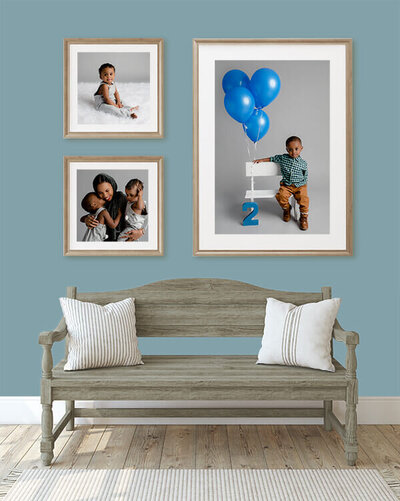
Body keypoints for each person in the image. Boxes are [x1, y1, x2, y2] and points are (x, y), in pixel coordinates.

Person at [254, 136, 309, 230]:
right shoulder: (283, 158)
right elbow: (272, 158)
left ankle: (303, 218)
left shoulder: (303, 163)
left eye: (296, 149)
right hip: (287, 185)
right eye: (290, 149)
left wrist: (303, 185)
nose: (293, 152)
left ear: (301, 148)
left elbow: (305, 175)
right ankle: (287, 209)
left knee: (304, 199)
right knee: (281, 196)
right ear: (287, 149)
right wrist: (262, 160)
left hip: (300, 185)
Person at [82, 173, 144, 241]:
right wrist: (86, 219)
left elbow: (140, 215)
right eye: (100, 193)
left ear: (112, 185)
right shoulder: (100, 202)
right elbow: (93, 215)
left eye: (107, 190)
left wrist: (141, 231)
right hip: (104, 241)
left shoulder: (121, 198)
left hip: (124, 238)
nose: (105, 195)